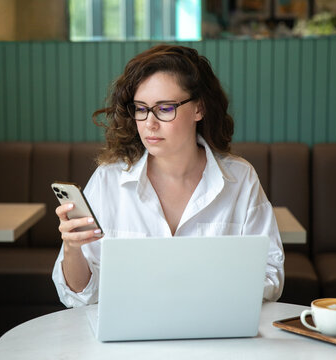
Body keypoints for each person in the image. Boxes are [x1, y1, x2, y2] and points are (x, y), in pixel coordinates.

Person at [52, 44, 284, 308]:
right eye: (141, 108)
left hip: (213, 336)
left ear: (199, 108)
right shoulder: (108, 180)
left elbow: (271, 275)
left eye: (164, 109)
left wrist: (200, 289)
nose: (149, 123)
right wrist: (72, 247)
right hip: (128, 341)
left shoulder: (240, 178)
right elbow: (79, 294)